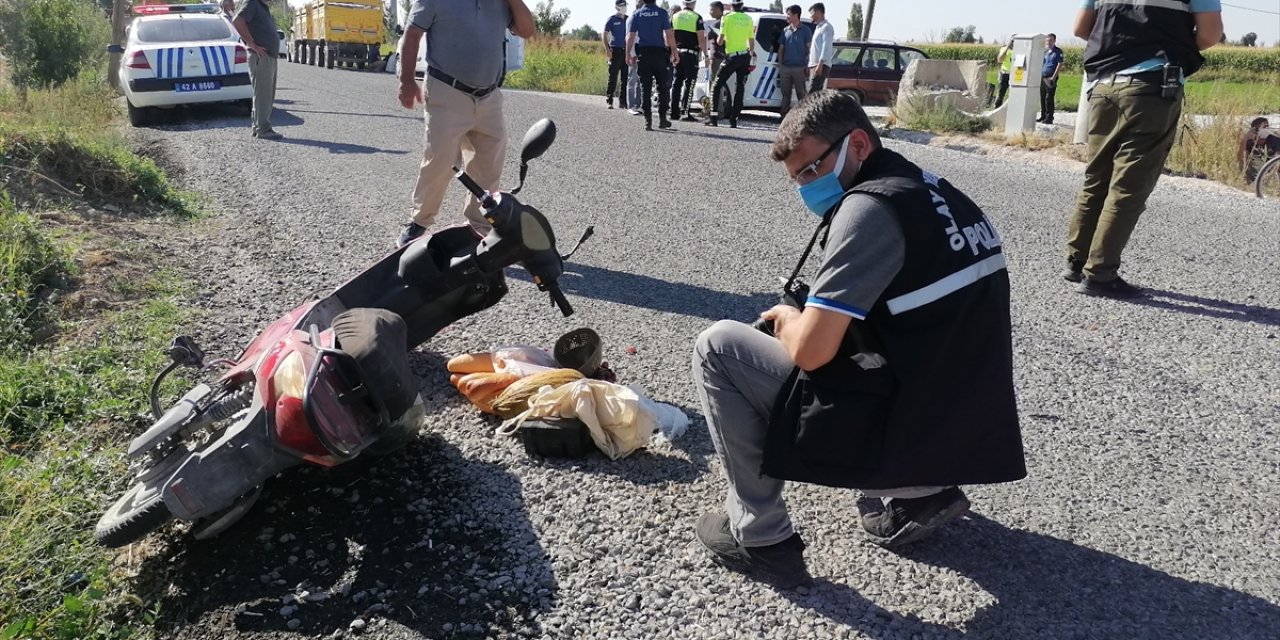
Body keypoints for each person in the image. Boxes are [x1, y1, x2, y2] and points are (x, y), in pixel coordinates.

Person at [692, 91, 1025, 589]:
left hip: (909, 427)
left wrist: (787, 319)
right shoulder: (938, 192)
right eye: (797, 179)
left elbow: (811, 351)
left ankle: (760, 537)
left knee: (717, 347)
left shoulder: (868, 210)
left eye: (811, 169)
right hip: (968, 426)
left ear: (859, 144)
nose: (806, 186)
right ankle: (921, 491)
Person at [1065, 0, 1222, 296]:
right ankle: (1100, 273)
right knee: (1128, 186)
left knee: (1096, 178)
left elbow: (1081, 28)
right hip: (1151, 87)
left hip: (1103, 86)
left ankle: (1077, 262)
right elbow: (1209, 35)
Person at [394, 0, 536, 247]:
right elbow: (413, 32)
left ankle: (479, 228)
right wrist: (407, 80)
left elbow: (527, 30)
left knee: (488, 165)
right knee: (440, 160)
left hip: (488, 96)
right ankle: (419, 222)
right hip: (447, 91)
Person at [231, 0, 282, 140]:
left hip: (267, 57)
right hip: (261, 57)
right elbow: (237, 21)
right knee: (263, 94)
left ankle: (258, 126)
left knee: (264, 94)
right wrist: (252, 44)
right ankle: (263, 129)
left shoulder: (261, 6)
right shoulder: (252, 3)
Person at [627, 0, 679, 131]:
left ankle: (648, 121)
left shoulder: (637, 14)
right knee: (663, 87)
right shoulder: (662, 13)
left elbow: (631, 36)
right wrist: (674, 51)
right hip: (659, 54)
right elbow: (669, 35)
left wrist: (627, 53)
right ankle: (662, 119)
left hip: (644, 53)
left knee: (645, 88)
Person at [706, 0, 753, 128]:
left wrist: (723, 37)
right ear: (742, 6)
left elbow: (720, 41)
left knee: (717, 85)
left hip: (731, 57)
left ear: (731, 6)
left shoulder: (727, 18)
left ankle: (713, 118)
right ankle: (734, 119)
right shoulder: (748, 19)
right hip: (744, 57)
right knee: (740, 87)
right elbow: (751, 41)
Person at [669, 0, 706, 122]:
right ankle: (685, 111)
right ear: (693, 3)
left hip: (677, 52)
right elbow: (701, 39)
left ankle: (674, 112)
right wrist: (706, 54)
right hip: (691, 54)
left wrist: (672, 50)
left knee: (676, 81)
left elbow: (669, 35)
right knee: (690, 82)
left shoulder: (675, 16)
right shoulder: (696, 17)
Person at [775, 5, 811, 118]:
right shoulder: (786, 30)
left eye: (789, 14)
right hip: (786, 68)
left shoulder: (806, 30)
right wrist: (781, 65)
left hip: (800, 68)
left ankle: (802, 118)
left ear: (796, 15)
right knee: (786, 94)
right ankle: (784, 117)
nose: (787, 16)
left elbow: (809, 50)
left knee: (801, 94)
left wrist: (808, 65)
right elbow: (781, 49)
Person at [603, 0, 630, 110]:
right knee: (613, 77)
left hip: (626, 51)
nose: (625, 8)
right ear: (618, 7)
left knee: (625, 78)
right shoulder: (612, 19)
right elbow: (604, 34)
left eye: (625, 6)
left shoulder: (629, 19)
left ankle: (623, 102)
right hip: (615, 51)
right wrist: (607, 49)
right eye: (623, 6)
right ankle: (609, 100)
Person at [1239, 117, 1280, 182]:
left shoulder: (1275, 140)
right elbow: (1241, 160)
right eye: (1262, 128)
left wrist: (1267, 177)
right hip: (1257, 174)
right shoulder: (1250, 142)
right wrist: (1245, 139)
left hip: (1272, 175)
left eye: (1267, 127)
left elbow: (1277, 163)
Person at [704, 1, 727, 119]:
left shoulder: (719, 23)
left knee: (715, 85)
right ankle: (710, 110)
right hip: (719, 57)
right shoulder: (720, 22)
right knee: (716, 84)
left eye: (712, 9)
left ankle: (715, 112)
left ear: (719, 10)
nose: (710, 12)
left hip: (717, 57)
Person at [806, 2, 833, 94]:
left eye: (812, 13)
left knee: (811, 94)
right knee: (817, 94)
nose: (810, 16)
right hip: (814, 65)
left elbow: (826, 47)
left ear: (818, 12)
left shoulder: (826, 27)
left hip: (820, 65)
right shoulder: (818, 28)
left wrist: (820, 64)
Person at [1037, 33, 1064, 124]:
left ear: (1054, 41)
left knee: (1049, 98)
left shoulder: (1058, 51)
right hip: (1043, 77)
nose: (1048, 42)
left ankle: (1049, 118)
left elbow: (1059, 64)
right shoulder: (1045, 52)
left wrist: (1053, 77)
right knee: (1042, 97)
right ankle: (1043, 116)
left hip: (1050, 77)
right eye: (1047, 40)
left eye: (1050, 40)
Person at [626, 0, 645, 116]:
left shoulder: (642, 17)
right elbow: (629, 37)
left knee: (639, 80)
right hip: (634, 49)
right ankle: (631, 105)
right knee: (632, 79)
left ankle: (638, 105)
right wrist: (631, 53)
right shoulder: (633, 17)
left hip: (642, 50)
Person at [993, 38, 1013, 108]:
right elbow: (1000, 60)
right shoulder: (1004, 49)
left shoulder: (1018, 50)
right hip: (1005, 73)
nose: (1013, 43)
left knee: (1013, 94)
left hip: (1014, 75)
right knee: (1000, 93)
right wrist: (1007, 48)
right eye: (1012, 41)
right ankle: (996, 108)